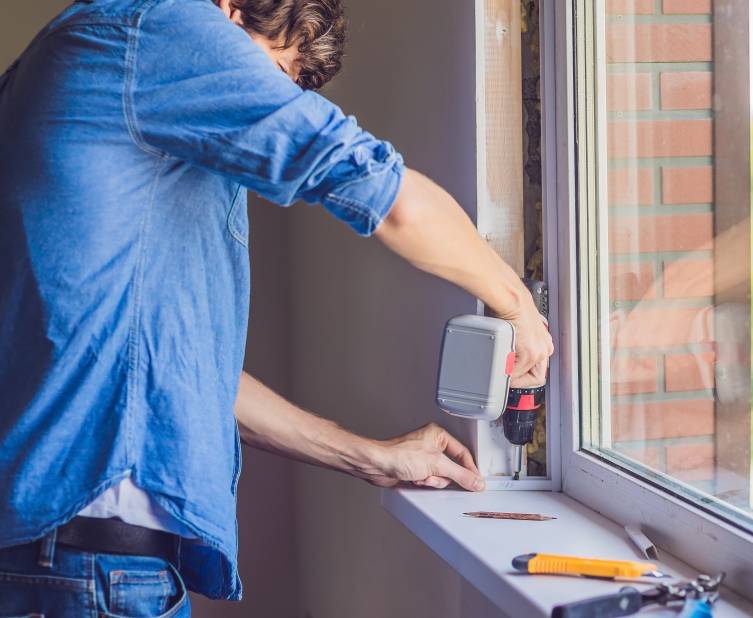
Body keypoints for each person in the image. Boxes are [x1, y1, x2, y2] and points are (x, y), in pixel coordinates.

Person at [0, 0, 554, 615]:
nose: (259, 105)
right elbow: (381, 193)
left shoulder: (75, 63)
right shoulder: (163, 29)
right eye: (267, 79)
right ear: (229, 14)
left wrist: (364, 454)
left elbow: (172, 372)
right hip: (87, 573)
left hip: (62, 562)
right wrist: (519, 305)